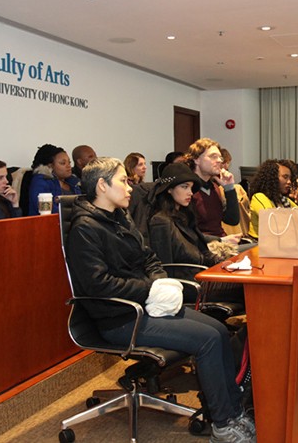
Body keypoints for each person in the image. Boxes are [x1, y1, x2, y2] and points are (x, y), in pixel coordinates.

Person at [66, 158, 255, 442]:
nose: (130, 187)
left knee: (217, 330)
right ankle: (223, 424)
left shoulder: (120, 217)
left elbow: (150, 258)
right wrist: (149, 288)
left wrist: (157, 282)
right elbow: (99, 285)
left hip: (146, 306)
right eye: (122, 181)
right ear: (102, 186)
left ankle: (233, 410)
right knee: (207, 340)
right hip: (120, 318)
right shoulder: (85, 228)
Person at [148, 163, 222, 267]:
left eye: (191, 188)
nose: (190, 193)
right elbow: (165, 266)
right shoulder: (161, 221)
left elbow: (200, 247)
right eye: (185, 187)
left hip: (201, 270)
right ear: (169, 189)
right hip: (189, 275)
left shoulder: (185, 216)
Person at [184, 138, 240, 239]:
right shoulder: (187, 188)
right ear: (196, 159)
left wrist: (229, 188)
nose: (219, 161)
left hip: (221, 242)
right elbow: (186, 233)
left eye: (220, 157)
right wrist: (220, 241)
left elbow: (232, 220)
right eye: (213, 157)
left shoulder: (214, 187)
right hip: (203, 245)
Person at [248, 159, 298, 239]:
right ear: (272, 178)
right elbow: (274, 222)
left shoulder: (283, 199)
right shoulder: (259, 197)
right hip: (259, 243)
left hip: (281, 241)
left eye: (290, 178)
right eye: (285, 177)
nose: (289, 182)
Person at [27, 144, 81, 215]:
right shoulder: (41, 182)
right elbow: (47, 211)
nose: (68, 166)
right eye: (63, 163)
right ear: (50, 166)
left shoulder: (74, 181)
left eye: (69, 162)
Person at [219, 148, 251, 237]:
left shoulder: (232, 182)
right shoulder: (215, 186)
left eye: (228, 163)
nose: (226, 166)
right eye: (223, 163)